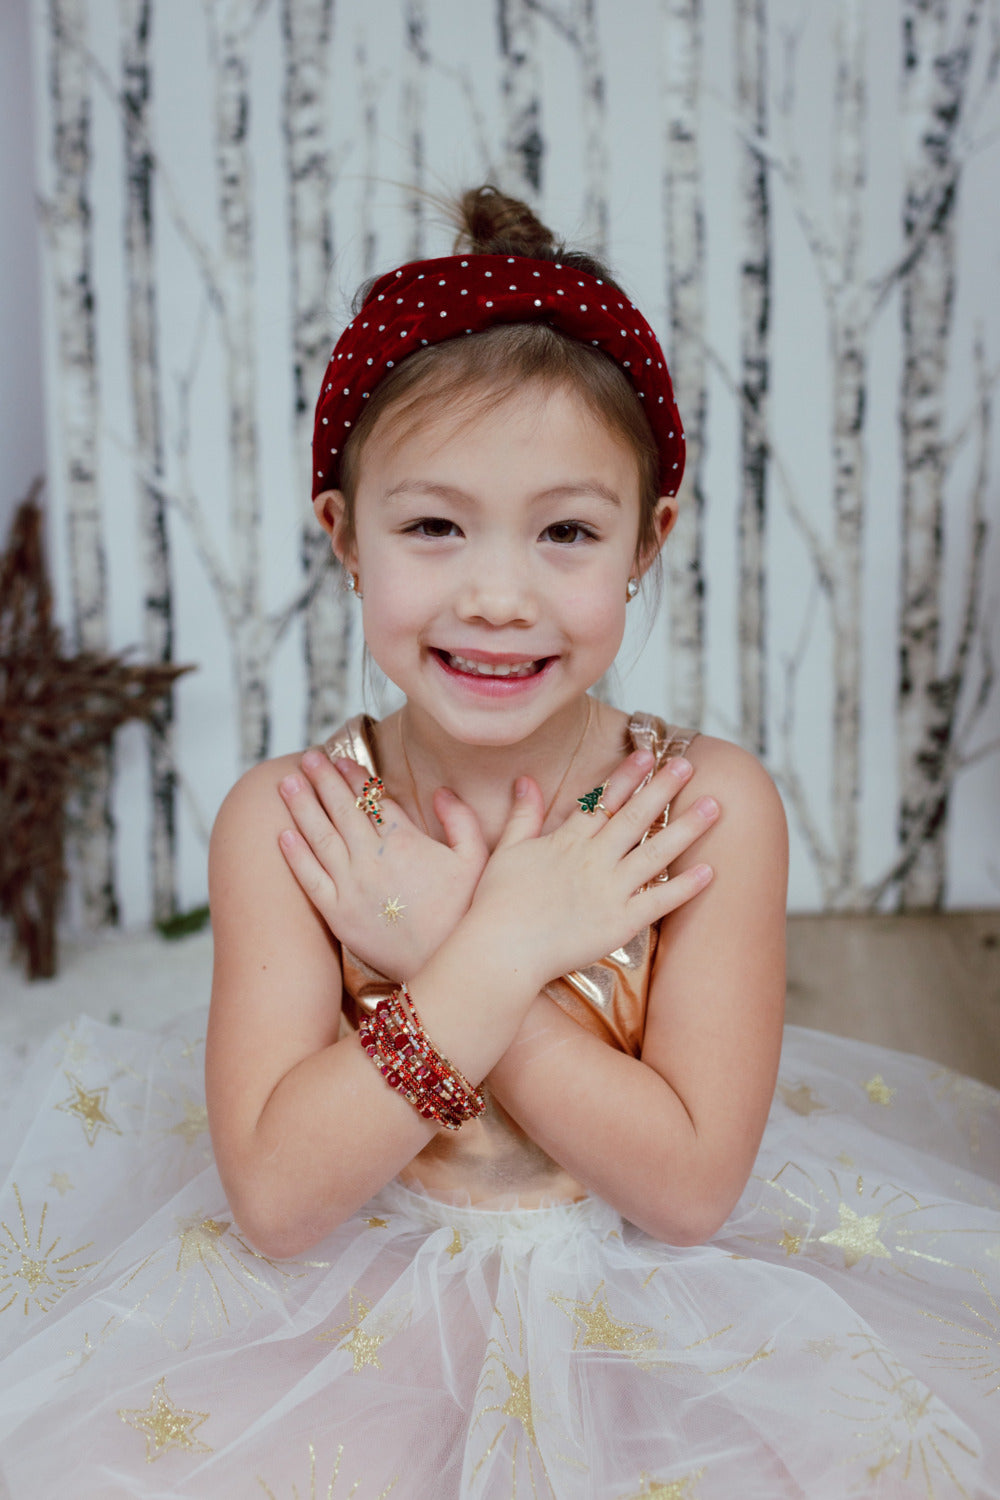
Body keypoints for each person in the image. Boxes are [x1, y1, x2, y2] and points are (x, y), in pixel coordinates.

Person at [0, 188, 997, 1500]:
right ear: (343, 534)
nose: (496, 594)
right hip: (355, 1301)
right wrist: (499, 950)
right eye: (432, 526)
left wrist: (461, 946)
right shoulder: (291, 824)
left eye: (568, 532)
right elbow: (286, 1201)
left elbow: (688, 1190)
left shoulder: (704, 807)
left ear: (652, 539)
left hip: (650, 1295)